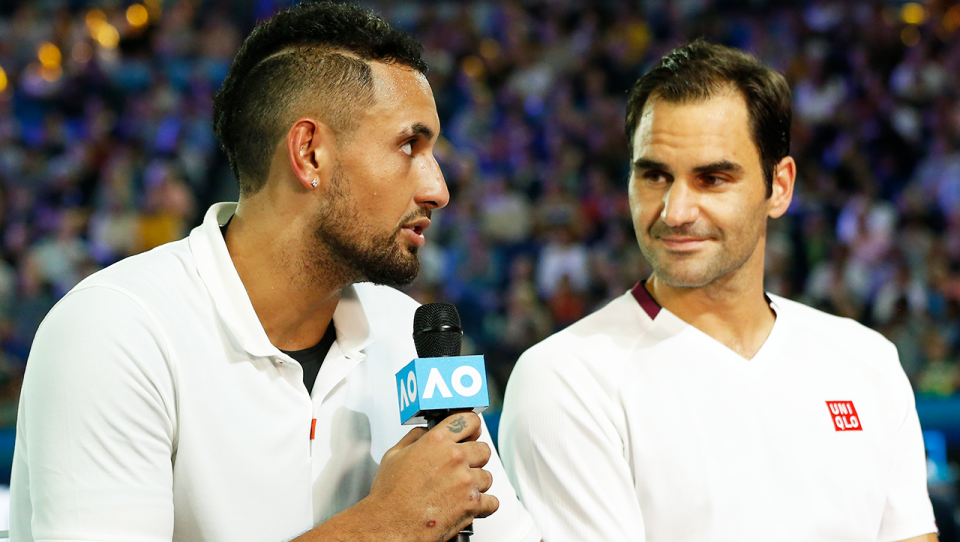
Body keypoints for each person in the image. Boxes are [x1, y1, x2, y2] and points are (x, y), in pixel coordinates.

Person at [10, 3, 541, 542]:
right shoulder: (115, 329)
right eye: (410, 145)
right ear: (309, 154)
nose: (439, 189)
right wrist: (383, 526)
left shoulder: (408, 334)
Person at [499, 40, 938, 542]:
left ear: (779, 187)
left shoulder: (868, 361)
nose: (675, 211)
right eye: (655, 175)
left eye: (711, 178)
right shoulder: (564, 380)